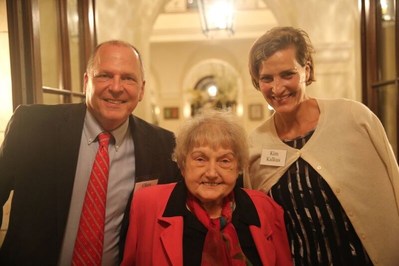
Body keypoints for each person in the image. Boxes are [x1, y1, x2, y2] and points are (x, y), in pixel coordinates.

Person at [0, 40, 181, 265]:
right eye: (105, 75)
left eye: (128, 78)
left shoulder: (163, 146)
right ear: (86, 81)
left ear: (141, 89)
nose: (116, 87)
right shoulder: (34, 126)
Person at [245, 26, 399, 265]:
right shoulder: (254, 146)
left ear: (306, 70)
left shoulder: (354, 118)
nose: (277, 88)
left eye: (288, 74)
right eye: (267, 78)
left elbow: (394, 184)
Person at [121, 109, 293, 266]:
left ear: (239, 167)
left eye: (224, 161)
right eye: (200, 159)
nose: (211, 173)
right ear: (182, 164)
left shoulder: (265, 209)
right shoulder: (147, 205)